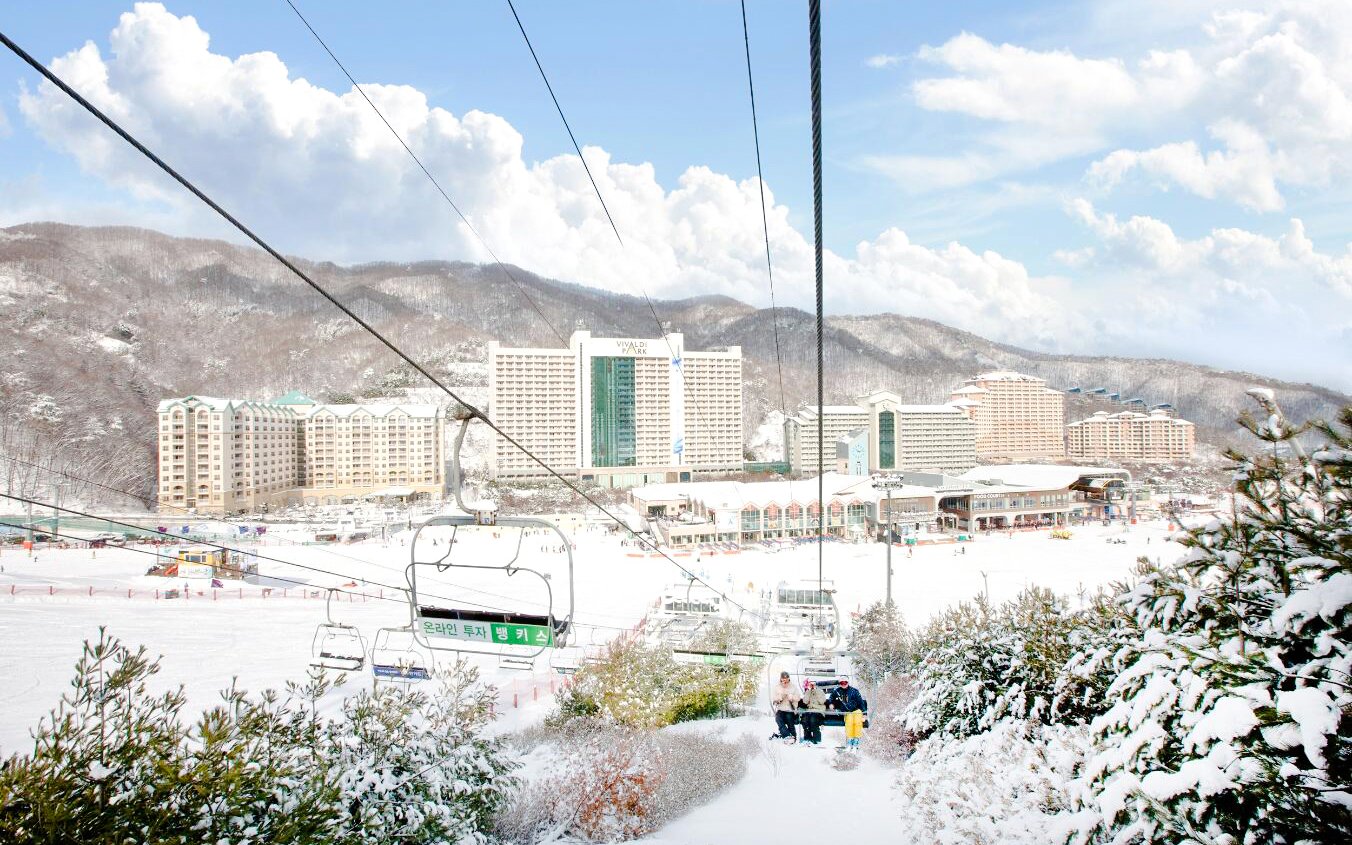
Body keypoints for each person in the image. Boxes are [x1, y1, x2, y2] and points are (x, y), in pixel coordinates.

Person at [828, 676, 868, 750]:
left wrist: (864, 713)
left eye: (845, 682)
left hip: (856, 710)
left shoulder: (854, 691)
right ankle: (850, 741)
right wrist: (831, 704)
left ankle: (856, 741)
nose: (843, 684)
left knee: (857, 722)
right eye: (841, 683)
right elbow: (831, 698)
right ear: (840, 683)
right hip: (847, 711)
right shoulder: (837, 691)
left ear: (848, 683)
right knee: (849, 723)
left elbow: (861, 702)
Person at [770, 671, 798, 741]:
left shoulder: (793, 687)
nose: (785, 681)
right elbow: (774, 698)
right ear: (781, 679)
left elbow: (798, 697)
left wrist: (792, 697)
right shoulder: (777, 687)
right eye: (783, 679)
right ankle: (787, 735)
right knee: (778, 718)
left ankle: (793, 735)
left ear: (789, 679)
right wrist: (779, 697)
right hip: (781, 708)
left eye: (786, 679)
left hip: (790, 708)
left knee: (789, 717)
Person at [799, 679, 827, 744]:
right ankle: (807, 738)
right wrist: (808, 692)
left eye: (813, 684)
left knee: (813, 720)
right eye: (810, 684)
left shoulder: (820, 691)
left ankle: (817, 739)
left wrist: (816, 691)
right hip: (810, 711)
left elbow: (822, 701)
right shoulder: (808, 692)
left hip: (819, 710)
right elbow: (805, 701)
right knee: (804, 720)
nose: (812, 686)